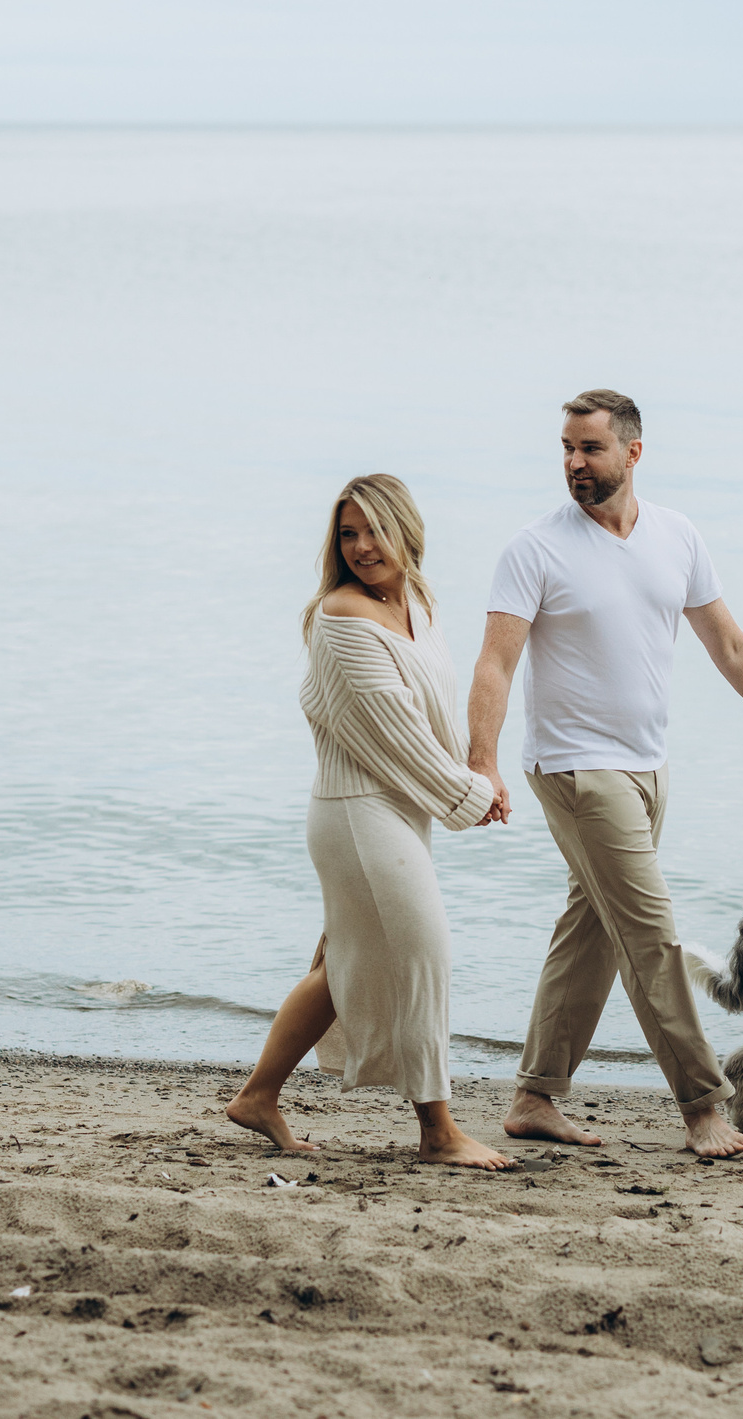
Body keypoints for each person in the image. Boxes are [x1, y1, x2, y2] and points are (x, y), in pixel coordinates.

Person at [467, 389, 743, 1159]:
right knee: (650, 935)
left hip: (647, 766)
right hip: (576, 769)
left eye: (591, 449)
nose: (575, 463)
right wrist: (482, 760)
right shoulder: (534, 548)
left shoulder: (677, 536)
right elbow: (496, 662)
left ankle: (536, 1096)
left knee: (593, 932)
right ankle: (706, 1104)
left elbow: (730, 647)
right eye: (566, 449)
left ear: (632, 452)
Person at [226, 473, 517, 1171]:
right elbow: (395, 735)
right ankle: (438, 1130)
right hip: (357, 814)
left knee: (343, 966)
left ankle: (257, 1096)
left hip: (395, 811)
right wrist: (469, 796)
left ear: (406, 530)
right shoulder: (342, 617)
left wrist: (478, 772)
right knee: (424, 954)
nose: (361, 546)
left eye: (374, 530)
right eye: (347, 533)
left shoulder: (416, 601)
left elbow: (431, 713)